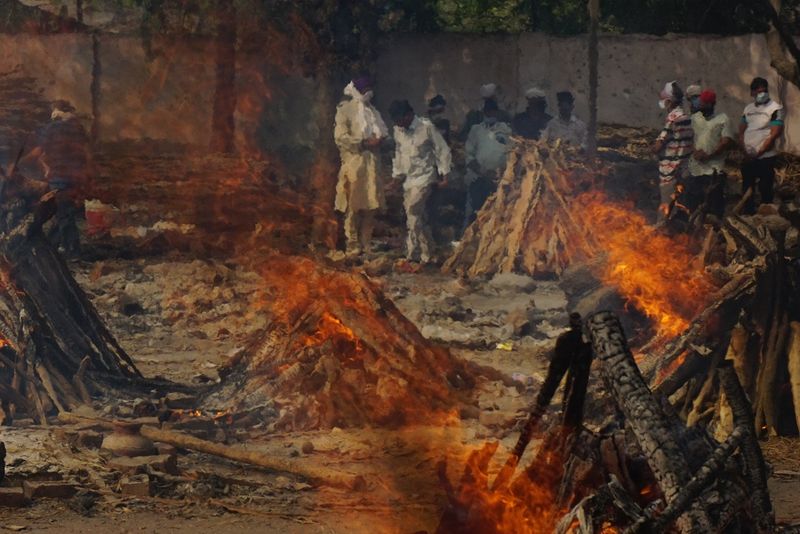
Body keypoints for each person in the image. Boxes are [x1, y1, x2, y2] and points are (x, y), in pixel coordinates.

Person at [23, 100, 90, 257]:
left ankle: (73, 251)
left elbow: (39, 152)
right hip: (75, 176)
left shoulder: (52, 129)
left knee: (63, 213)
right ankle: (53, 245)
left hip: (60, 176)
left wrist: (20, 162)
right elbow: (85, 153)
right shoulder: (78, 129)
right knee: (63, 211)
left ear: (57, 111)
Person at [389, 100, 452, 265]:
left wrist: (445, 175)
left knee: (413, 211)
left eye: (400, 119)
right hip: (409, 180)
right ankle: (428, 252)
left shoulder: (426, 127)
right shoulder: (398, 130)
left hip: (425, 177)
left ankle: (414, 253)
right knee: (416, 218)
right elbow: (399, 154)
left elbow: (442, 150)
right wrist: (396, 178)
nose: (398, 124)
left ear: (409, 115)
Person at [333, 76, 389, 256]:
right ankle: (352, 244)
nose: (368, 93)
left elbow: (383, 133)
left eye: (369, 89)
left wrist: (380, 141)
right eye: (364, 90)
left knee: (371, 206)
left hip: (372, 165)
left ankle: (366, 243)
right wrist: (363, 142)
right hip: (354, 164)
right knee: (353, 207)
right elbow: (340, 137)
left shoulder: (373, 111)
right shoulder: (345, 110)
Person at [463, 99, 512, 229]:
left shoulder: (505, 130)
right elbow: (469, 156)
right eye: (487, 111)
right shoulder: (476, 130)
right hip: (478, 178)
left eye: (493, 111)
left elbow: (512, 152)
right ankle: (467, 237)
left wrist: (501, 173)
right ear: (484, 113)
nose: (490, 114)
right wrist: (483, 172)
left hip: (499, 179)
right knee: (473, 213)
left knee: (498, 214)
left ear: (497, 112)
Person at [739, 77, 784, 215]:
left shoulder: (775, 108)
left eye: (764, 91)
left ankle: (767, 217)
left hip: (766, 156)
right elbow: (741, 131)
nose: (762, 94)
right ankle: (748, 214)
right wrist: (746, 152)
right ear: (752, 93)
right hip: (748, 156)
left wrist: (760, 152)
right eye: (758, 92)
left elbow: (774, 133)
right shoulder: (748, 109)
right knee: (747, 186)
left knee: (765, 187)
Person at [687, 89, 734, 219]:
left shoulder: (723, 119)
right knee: (693, 207)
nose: (701, 107)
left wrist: (709, 155)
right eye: (701, 103)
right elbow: (689, 138)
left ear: (712, 104)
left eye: (705, 104)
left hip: (714, 171)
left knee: (714, 208)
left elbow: (726, 141)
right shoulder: (694, 118)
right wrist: (695, 152)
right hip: (695, 170)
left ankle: (713, 230)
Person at [652, 81, 693, 222]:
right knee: (679, 205)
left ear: (669, 102)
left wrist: (653, 147)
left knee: (666, 206)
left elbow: (658, 146)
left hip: (669, 172)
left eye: (664, 100)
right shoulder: (687, 117)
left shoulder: (672, 119)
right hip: (684, 170)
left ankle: (661, 229)